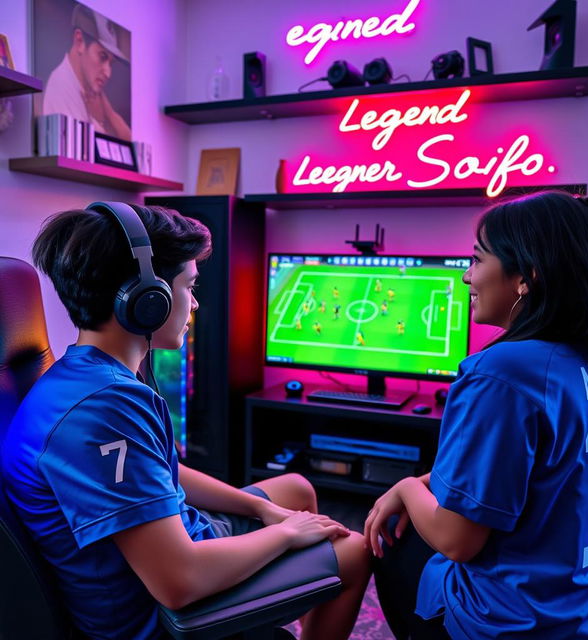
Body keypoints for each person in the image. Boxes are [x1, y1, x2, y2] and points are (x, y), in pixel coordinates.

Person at [1, 203, 370, 640]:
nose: (194, 304)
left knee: (294, 489)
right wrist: (287, 534)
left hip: (176, 538)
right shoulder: (102, 409)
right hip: (158, 613)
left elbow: (158, 471)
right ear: (146, 300)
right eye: (189, 287)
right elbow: (178, 581)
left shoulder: (84, 373)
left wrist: (261, 508)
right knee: (354, 550)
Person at [365, 191, 588, 640]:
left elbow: (457, 539)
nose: (467, 276)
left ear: (527, 276)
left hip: (517, 622)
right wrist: (433, 481)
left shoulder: (502, 371)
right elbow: (551, 468)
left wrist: (407, 486)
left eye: (477, 260)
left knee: (389, 538)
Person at [42, 4, 132, 140]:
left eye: (111, 63)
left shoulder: (88, 91)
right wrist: (99, 121)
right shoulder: (62, 87)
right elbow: (92, 159)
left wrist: (107, 113)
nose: (108, 73)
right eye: (102, 57)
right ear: (79, 41)